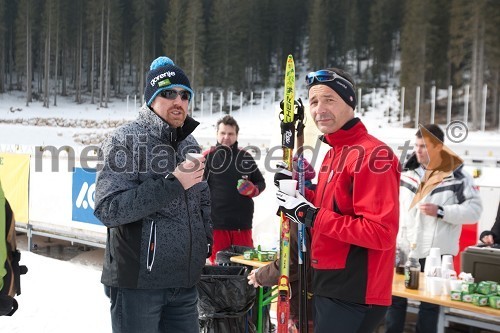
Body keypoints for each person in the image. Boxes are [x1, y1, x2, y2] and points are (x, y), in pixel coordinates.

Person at [275, 68, 401, 333]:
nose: (320, 109)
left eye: (329, 99)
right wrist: (296, 196)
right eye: (314, 101)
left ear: (350, 103)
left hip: (354, 292)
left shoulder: (374, 155)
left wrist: (309, 214)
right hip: (328, 284)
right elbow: (329, 208)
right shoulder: (334, 153)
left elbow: (381, 233)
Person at [94, 56, 212, 333]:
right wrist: (172, 183)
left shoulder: (189, 142)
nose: (178, 101)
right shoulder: (125, 139)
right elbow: (108, 209)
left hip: (184, 285)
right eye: (168, 93)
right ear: (151, 99)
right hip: (138, 285)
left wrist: (204, 243)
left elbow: (202, 199)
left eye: (185, 95)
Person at [385, 124, 483, 333]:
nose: (417, 151)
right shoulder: (404, 172)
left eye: (424, 146)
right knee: (395, 301)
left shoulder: (459, 175)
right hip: (404, 249)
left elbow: (474, 211)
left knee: (430, 306)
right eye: (417, 145)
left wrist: (441, 211)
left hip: (436, 255)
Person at [248, 159, 315, 332]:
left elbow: (291, 261)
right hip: (312, 294)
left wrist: (260, 276)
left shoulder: (299, 212)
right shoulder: (313, 204)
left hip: (304, 297)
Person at [203, 115, 266, 265]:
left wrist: (253, 190)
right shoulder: (207, 157)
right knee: (219, 270)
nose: (226, 137)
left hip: (242, 226)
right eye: (222, 133)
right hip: (217, 226)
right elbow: (197, 190)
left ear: (236, 135)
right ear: (217, 134)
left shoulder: (245, 157)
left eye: (230, 133)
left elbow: (261, 182)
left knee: (245, 269)